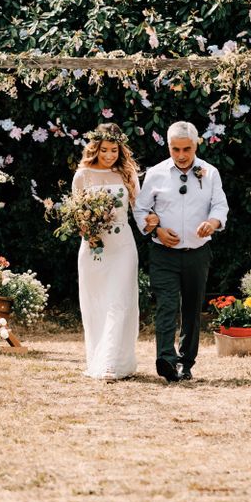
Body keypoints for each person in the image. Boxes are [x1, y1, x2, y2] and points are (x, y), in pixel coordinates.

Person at [134, 121, 229, 382]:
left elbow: (220, 206)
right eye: (175, 149)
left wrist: (212, 223)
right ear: (168, 147)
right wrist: (157, 232)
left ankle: (186, 362)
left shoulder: (210, 173)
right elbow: (141, 209)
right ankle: (166, 359)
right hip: (163, 254)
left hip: (198, 253)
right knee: (166, 305)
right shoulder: (155, 173)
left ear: (196, 145)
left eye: (186, 149)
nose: (181, 155)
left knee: (191, 308)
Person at [72, 123, 157, 380]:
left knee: (119, 302)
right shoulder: (82, 175)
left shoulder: (127, 173)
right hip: (93, 247)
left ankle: (111, 363)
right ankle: (98, 357)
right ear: (95, 147)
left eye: (114, 150)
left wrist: (151, 223)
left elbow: (138, 209)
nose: (109, 155)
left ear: (121, 149)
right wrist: (88, 229)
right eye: (105, 150)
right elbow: (76, 216)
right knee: (95, 303)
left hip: (122, 247)